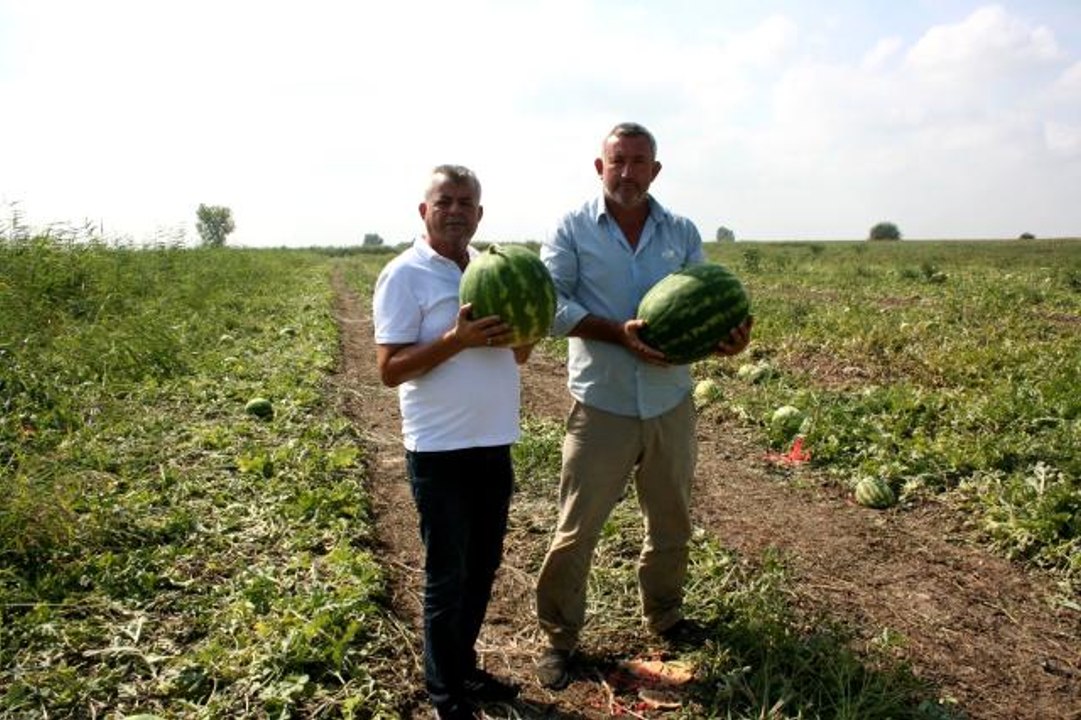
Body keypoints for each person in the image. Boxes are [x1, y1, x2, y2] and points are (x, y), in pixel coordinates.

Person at [534, 123, 753, 689]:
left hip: (669, 401)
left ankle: (666, 617)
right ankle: (558, 639)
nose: (628, 172)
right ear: (599, 166)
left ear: (655, 170)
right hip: (601, 403)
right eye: (618, 161)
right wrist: (616, 332)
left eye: (639, 162)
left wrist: (728, 339)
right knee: (576, 529)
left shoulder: (679, 231)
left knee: (671, 521)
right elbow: (550, 302)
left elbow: (708, 294)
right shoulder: (572, 227)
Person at [373, 164, 530, 720]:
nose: (457, 210)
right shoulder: (403, 275)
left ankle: (462, 666)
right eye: (446, 201)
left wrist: (524, 333)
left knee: (483, 565)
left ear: (480, 213)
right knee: (447, 572)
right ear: (425, 211)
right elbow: (390, 370)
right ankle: (444, 693)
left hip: (495, 439)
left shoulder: (493, 271)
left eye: (467, 202)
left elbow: (518, 355)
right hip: (438, 448)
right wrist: (456, 339)